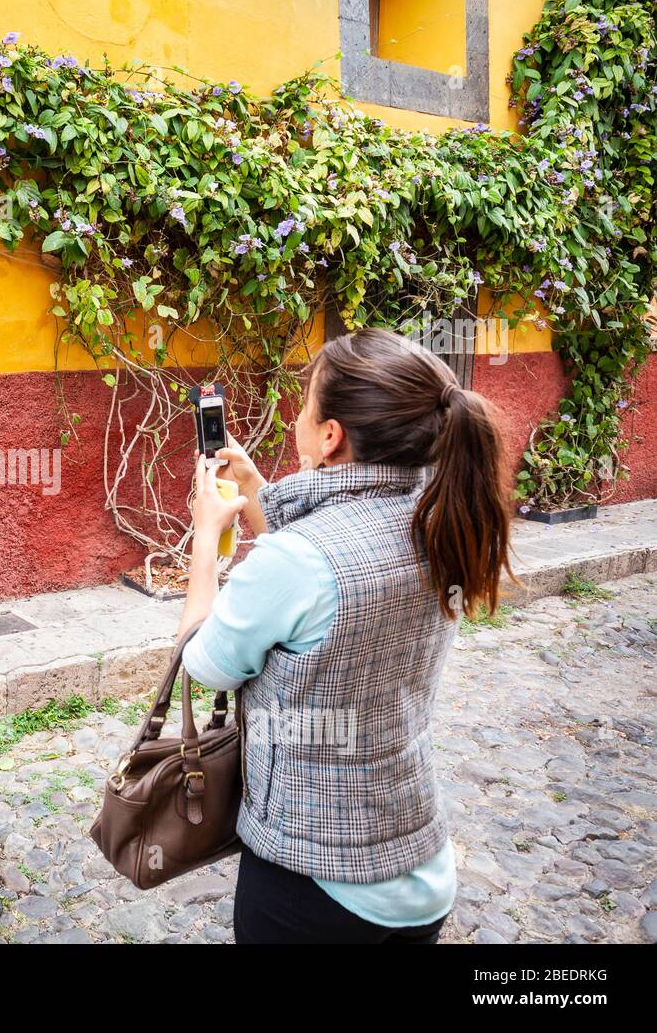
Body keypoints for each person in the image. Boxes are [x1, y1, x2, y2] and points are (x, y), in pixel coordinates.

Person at [178, 327, 514, 944]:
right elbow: (338, 540)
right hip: (420, 866)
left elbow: (204, 662)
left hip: (314, 887)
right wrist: (254, 486)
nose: (298, 417)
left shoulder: (298, 561)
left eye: (305, 405)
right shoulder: (444, 515)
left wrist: (204, 545)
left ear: (330, 435)